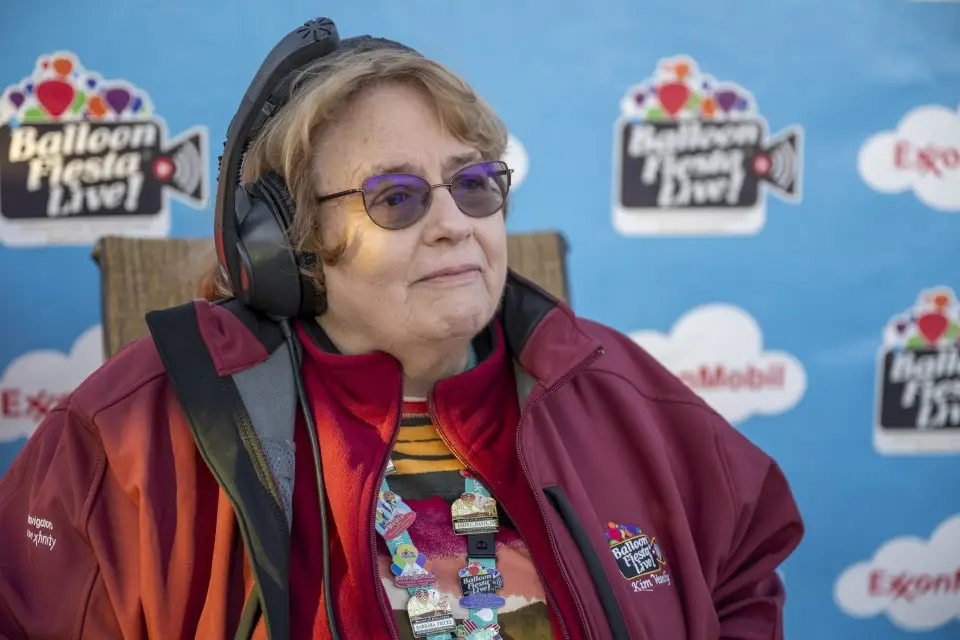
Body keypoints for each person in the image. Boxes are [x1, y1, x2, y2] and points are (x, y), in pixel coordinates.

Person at [0, 20, 803, 640]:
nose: (456, 224)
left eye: (475, 184)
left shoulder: (606, 382)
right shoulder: (129, 432)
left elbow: (742, 562)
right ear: (284, 246)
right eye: (397, 197)